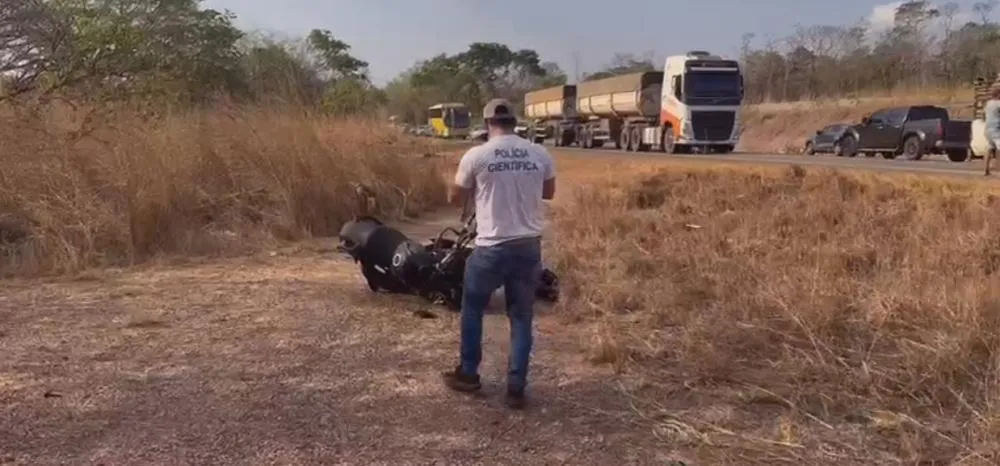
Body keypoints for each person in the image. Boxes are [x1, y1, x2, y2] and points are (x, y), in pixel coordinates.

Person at [441, 98, 556, 409]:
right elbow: (548, 192)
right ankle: (516, 384)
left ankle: (468, 373)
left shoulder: (477, 155)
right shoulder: (539, 152)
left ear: (487, 122)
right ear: (514, 122)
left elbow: (455, 197)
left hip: (491, 247)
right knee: (520, 315)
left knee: (473, 307)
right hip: (528, 246)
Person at [985, 86, 1000, 176]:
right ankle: (999, 168)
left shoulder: (988, 103)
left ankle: (986, 169)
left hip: (988, 129)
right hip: (996, 129)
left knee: (989, 148)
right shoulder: (998, 104)